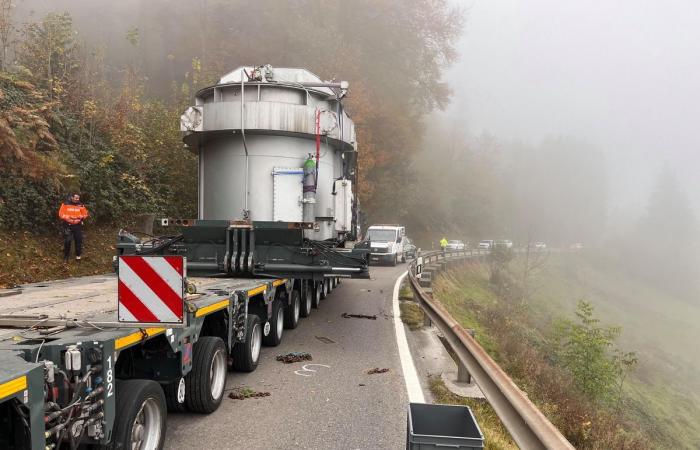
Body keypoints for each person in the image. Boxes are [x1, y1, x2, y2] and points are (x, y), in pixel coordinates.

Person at [58, 193, 89, 262]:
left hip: (77, 225)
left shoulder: (81, 205)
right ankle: (66, 256)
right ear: (72, 197)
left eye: (78, 198)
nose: (77, 199)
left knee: (78, 240)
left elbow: (85, 214)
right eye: (76, 198)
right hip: (68, 225)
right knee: (68, 241)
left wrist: (82, 217)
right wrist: (67, 217)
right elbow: (60, 214)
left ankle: (78, 256)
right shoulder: (65, 204)